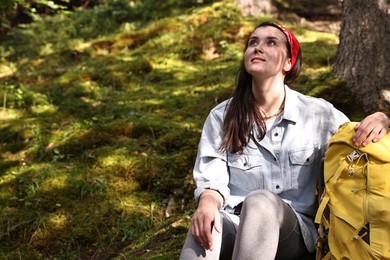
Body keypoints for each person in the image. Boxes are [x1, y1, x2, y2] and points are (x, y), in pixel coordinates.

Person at [179, 21, 390, 260]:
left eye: (271, 42)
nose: (258, 48)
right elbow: (212, 179)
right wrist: (207, 205)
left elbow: (356, 143)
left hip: (296, 234)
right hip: (236, 225)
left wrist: (382, 118)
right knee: (205, 227)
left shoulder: (318, 114)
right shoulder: (222, 116)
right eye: (253, 42)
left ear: (289, 63)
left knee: (259, 202)